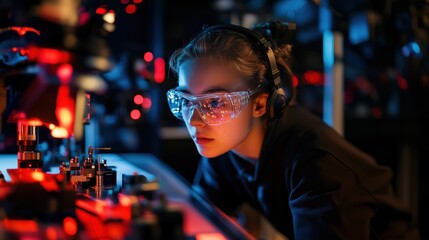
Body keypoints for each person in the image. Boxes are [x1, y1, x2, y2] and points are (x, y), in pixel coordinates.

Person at [166, 21, 420, 239]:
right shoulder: (224, 147)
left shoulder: (317, 164)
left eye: (215, 102)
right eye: (186, 101)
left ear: (261, 104)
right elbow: (202, 212)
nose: (195, 120)